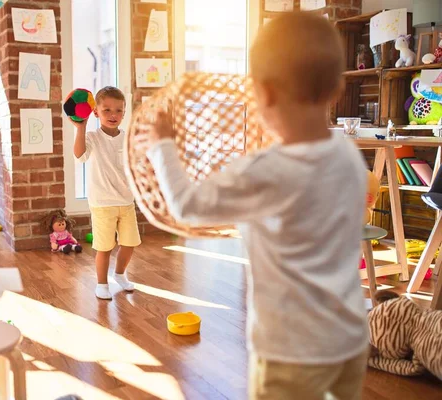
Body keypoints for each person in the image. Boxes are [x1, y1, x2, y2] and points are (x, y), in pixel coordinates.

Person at [139, 12, 369, 400]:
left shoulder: (265, 171)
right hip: (349, 339)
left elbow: (187, 205)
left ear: (261, 93)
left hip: (290, 353)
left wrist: (162, 145)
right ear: (337, 91)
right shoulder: (347, 153)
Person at [73, 86, 141, 300]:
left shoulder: (127, 138)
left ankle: (119, 275)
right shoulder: (92, 137)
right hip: (102, 203)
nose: (113, 115)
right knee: (104, 247)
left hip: (126, 201)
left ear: (124, 112)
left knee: (129, 243)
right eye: (107, 110)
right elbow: (80, 155)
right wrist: (81, 128)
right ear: (95, 112)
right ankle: (101, 283)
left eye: (119, 111)